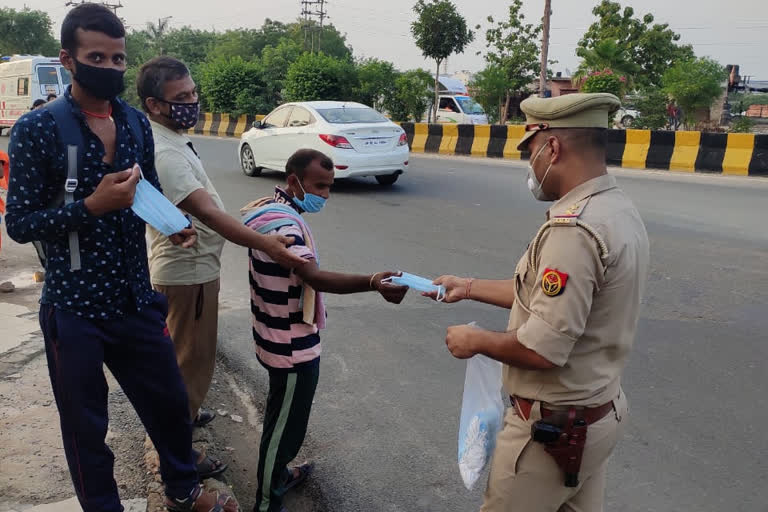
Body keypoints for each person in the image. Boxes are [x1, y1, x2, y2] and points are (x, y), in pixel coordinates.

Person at [4, 4, 237, 512]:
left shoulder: (134, 123)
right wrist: (91, 206)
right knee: (87, 430)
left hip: (136, 299)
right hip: (74, 308)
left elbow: (146, 189)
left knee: (172, 405)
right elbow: (18, 223)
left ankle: (182, 487)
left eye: (118, 59)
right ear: (68, 59)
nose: (109, 67)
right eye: (97, 57)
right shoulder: (37, 129)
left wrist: (170, 224)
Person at [428, 93, 649, 511]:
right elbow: (548, 299)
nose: (530, 166)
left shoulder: (574, 230)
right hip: (596, 417)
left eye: (530, 152)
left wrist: (475, 341)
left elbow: (542, 347)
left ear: (553, 147)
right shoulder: (615, 208)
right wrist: (468, 286)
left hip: (551, 432)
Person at [136, 56, 305, 439]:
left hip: (194, 269)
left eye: (194, 92)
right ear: (154, 104)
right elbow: (208, 213)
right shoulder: (165, 153)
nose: (192, 101)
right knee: (188, 364)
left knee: (191, 361)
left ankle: (184, 421)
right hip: (187, 274)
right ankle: (179, 453)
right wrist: (267, 244)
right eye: (182, 96)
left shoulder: (169, 137)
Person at [242, 148, 408, 512]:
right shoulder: (285, 225)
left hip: (278, 336)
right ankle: (267, 501)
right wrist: (373, 281)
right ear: (293, 181)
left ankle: (279, 476)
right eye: (319, 186)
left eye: (330, 187)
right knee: (282, 433)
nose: (325, 195)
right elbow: (312, 276)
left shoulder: (270, 209)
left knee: (283, 419)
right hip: (290, 346)